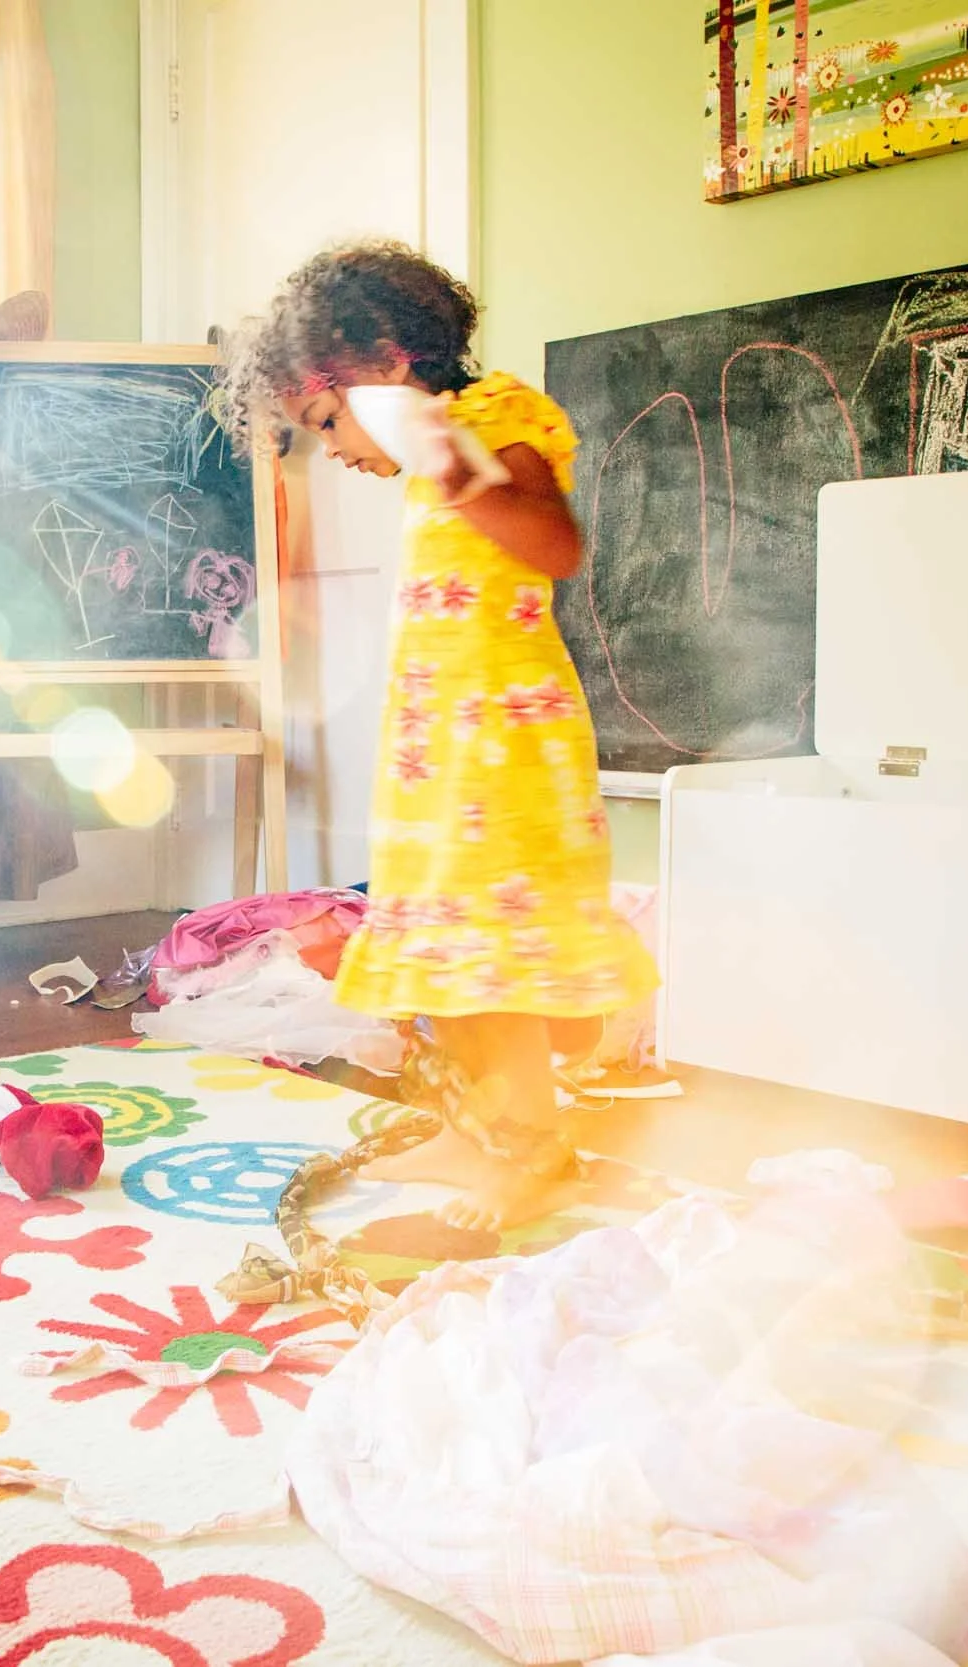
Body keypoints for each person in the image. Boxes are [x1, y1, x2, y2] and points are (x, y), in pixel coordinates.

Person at [219, 240, 657, 1231]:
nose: (328, 447)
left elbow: (556, 545)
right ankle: (472, 1126)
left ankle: (532, 1150)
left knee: (484, 964)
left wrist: (455, 472)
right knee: (444, 960)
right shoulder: (431, 463)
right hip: (439, 752)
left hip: (503, 753)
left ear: (386, 361)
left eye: (326, 419)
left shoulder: (493, 421)